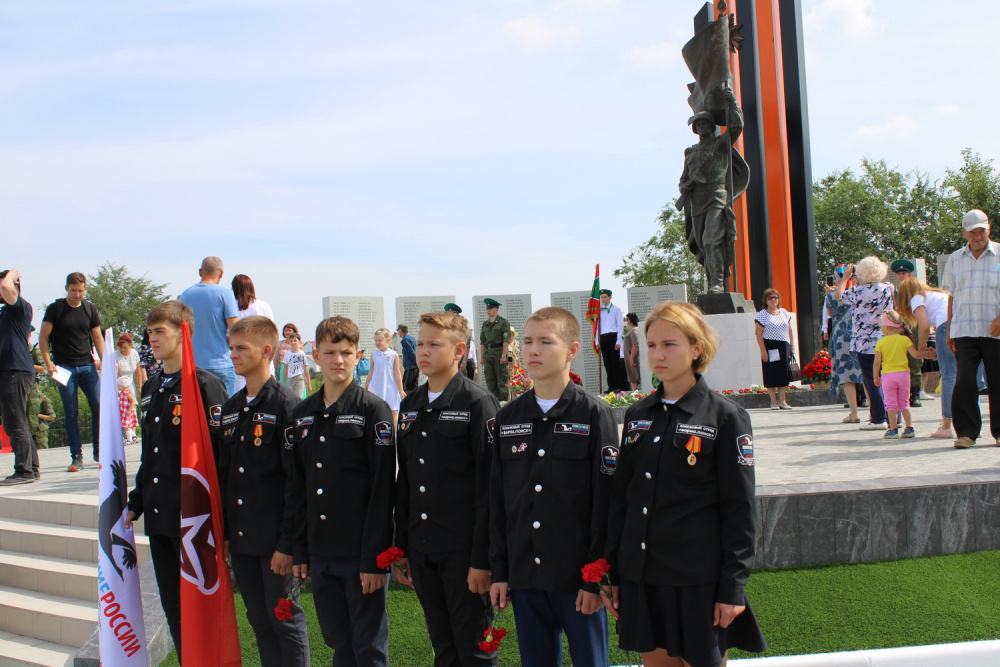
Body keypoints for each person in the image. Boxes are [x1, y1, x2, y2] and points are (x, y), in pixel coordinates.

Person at [605, 301, 767, 667]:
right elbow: (622, 500)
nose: (657, 355)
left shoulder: (725, 416)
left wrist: (732, 587)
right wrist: (613, 572)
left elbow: (739, 509)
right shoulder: (638, 414)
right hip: (643, 575)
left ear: (696, 349)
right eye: (651, 345)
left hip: (698, 581)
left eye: (669, 344)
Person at [489, 307, 618, 667]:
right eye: (529, 341)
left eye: (546, 342)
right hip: (525, 576)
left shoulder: (593, 414)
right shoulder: (508, 418)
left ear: (572, 349)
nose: (533, 350)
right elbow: (498, 501)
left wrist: (595, 579)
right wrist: (500, 570)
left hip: (576, 578)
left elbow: (607, 502)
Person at [394, 311, 501, 667]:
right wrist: (401, 546)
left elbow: (489, 487)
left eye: (434, 345)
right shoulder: (410, 405)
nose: (423, 351)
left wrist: (482, 559)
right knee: (443, 646)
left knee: (474, 648)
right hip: (423, 547)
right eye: (421, 344)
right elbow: (406, 481)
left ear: (458, 351)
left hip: (463, 551)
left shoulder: (477, 402)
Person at [124, 301, 229, 654]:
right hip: (159, 518)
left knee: (202, 614)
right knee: (175, 615)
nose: (152, 339)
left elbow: (220, 458)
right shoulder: (150, 387)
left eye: (160, 331)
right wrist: (136, 502)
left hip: (193, 522)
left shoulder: (205, 385)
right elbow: (150, 454)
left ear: (183, 333)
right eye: (149, 332)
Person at [291, 316, 395, 667]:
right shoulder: (303, 413)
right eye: (330, 352)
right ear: (315, 356)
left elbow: (383, 490)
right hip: (321, 551)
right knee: (338, 641)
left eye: (346, 352)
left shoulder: (373, 410)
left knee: (368, 646)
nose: (338, 360)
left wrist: (375, 560)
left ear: (358, 356)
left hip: (359, 552)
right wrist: (301, 550)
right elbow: (298, 487)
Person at [219, 316, 310, 666]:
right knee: (259, 621)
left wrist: (287, 544)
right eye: (231, 348)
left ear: (266, 350)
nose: (233, 354)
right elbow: (227, 477)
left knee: (285, 621)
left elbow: (296, 482)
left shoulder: (287, 405)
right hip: (243, 540)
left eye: (241, 348)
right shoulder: (231, 409)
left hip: (275, 543)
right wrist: (227, 535)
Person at [677, 87, 748, 294]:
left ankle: (717, 283)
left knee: (711, 241)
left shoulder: (721, 144)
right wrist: (684, 186)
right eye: (698, 124)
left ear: (710, 126)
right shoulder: (690, 153)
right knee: (702, 244)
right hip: (697, 201)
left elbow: (736, 126)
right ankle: (711, 282)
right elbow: (683, 178)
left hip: (716, 197)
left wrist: (732, 102)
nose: (701, 127)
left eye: (704, 123)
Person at [942, 210, 1000, 449]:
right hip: (964, 328)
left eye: (981, 231)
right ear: (964, 233)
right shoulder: (955, 259)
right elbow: (952, 296)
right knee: (964, 380)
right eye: (972, 232)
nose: (977, 236)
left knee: (998, 380)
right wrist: (949, 330)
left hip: (995, 330)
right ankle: (966, 433)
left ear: (989, 229)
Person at [39, 271, 104, 472]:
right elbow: (43, 337)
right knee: (71, 413)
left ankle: (99, 450)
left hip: (87, 366)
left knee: (99, 406)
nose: (77, 294)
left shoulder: (89, 308)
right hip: (63, 368)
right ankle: (76, 456)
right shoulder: (55, 308)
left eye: (81, 291)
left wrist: (105, 360)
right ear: (67, 288)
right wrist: (48, 363)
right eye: (74, 290)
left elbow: (98, 337)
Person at [835, 257, 896, 431]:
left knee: (872, 380)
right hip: (886, 337)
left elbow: (838, 295)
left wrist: (845, 278)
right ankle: (895, 417)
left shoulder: (857, 291)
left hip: (864, 341)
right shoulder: (888, 288)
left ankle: (878, 418)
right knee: (888, 379)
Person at [896, 278, 954, 438]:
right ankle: (972, 425)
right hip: (961, 324)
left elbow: (924, 326)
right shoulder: (939, 294)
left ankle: (946, 425)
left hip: (945, 326)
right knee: (965, 376)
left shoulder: (917, 298)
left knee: (949, 376)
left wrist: (922, 350)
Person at [179, 256, 239, 395]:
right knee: (224, 407)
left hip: (192, 364)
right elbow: (235, 329)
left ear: (200, 272)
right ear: (221, 274)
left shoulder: (185, 295)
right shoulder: (225, 294)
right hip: (220, 363)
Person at [0, 269, 39, 485]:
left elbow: (7, 287)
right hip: (10, 370)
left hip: (16, 369)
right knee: (18, 420)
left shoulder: (21, 308)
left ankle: (24, 471)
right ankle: (32, 467)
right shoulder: (5, 312)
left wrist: (11, 274)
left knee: (14, 420)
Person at [874, 311, 924, 439]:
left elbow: (877, 363)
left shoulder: (881, 343)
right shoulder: (905, 339)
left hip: (888, 376)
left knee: (891, 404)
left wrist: (876, 376)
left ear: (886, 327)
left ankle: (893, 429)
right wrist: (928, 354)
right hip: (904, 375)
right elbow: (915, 355)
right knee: (904, 402)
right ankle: (909, 428)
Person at [825, 265, 865, 423]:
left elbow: (830, 314)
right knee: (866, 374)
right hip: (860, 336)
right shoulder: (860, 293)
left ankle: (854, 413)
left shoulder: (831, 296)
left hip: (841, 337)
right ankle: (874, 412)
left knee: (847, 376)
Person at [232, 274, 276, 393]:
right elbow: (272, 331)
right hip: (261, 352)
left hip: (239, 353)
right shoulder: (263, 306)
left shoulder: (232, 306)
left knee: (241, 391)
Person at [754, 288, 795, 410]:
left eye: (775, 297)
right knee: (770, 373)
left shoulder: (784, 312)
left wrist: (792, 346)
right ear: (766, 301)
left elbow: (790, 330)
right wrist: (763, 351)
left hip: (784, 345)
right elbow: (758, 333)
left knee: (783, 373)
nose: (773, 300)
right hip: (770, 345)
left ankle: (782, 401)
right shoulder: (762, 314)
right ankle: (773, 401)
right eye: (770, 298)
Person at [891, 260, 924, 407]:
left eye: (903, 273)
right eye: (898, 274)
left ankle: (915, 394)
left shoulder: (915, 292)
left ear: (909, 275)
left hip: (914, 328)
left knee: (915, 362)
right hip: (898, 330)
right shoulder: (893, 293)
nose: (901, 276)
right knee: (899, 361)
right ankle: (902, 394)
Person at [365, 328, 405, 423]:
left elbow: (397, 373)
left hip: (390, 386)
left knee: (393, 411)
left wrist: (400, 389)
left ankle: (394, 431)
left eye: (380, 340)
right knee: (376, 410)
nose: (377, 343)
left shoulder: (393, 354)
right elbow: (371, 371)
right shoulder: (374, 355)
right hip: (376, 386)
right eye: (376, 340)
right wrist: (366, 386)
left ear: (387, 340)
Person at [596, 289, 628, 394]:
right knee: (607, 364)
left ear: (610, 297)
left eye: (605, 297)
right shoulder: (599, 311)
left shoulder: (616, 309)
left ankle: (617, 386)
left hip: (613, 336)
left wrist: (618, 341)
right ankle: (610, 386)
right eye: (602, 297)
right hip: (603, 337)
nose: (603, 299)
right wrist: (597, 341)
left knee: (615, 363)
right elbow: (597, 327)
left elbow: (620, 326)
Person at [479, 299, 511, 403]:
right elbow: (482, 342)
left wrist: (503, 355)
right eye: (487, 308)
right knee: (490, 381)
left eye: (490, 308)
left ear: (496, 309)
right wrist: (482, 357)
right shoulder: (485, 324)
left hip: (498, 353)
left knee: (502, 381)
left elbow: (506, 340)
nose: (488, 310)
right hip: (488, 355)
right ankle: (494, 404)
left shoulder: (503, 322)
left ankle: (503, 404)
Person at [27, 381, 55, 451]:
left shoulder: (43, 398)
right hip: (27, 430)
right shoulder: (25, 398)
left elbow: (52, 417)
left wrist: (38, 416)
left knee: (42, 452)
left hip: (40, 431)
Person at [282, 333, 311, 399]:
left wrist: (309, 384)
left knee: (298, 398)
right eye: (291, 341)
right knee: (291, 398)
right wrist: (283, 382)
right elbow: (286, 368)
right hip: (290, 379)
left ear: (299, 342)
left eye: (295, 340)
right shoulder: (287, 354)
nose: (293, 342)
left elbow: (306, 369)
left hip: (299, 378)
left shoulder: (302, 354)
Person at [397, 324, 419, 392]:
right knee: (414, 387)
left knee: (406, 387)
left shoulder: (405, 340)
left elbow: (411, 352)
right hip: (415, 366)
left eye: (398, 331)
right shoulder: (413, 339)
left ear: (401, 330)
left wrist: (416, 362)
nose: (398, 333)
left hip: (410, 366)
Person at [624, 313, 641, 391]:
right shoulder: (634, 330)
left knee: (634, 379)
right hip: (632, 358)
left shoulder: (634, 330)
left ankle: (635, 396)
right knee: (635, 378)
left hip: (634, 359)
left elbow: (635, 344)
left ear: (631, 320)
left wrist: (631, 358)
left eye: (627, 319)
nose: (626, 321)